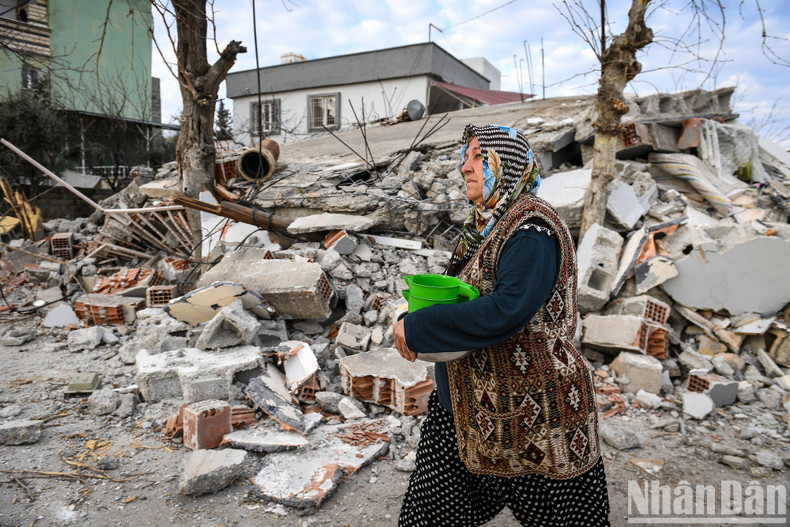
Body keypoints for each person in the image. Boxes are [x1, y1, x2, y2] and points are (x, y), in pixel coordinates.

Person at [394, 124, 610, 527]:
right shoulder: (484, 228)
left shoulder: (532, 231)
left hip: (538, 414)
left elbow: (505, 311)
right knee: (429, 515)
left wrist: (418, 328)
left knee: (566, 520)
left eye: (478, 156)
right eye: (465, 157)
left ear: (506, 164)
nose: (465, 167)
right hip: (464, 408)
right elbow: (466, 295)